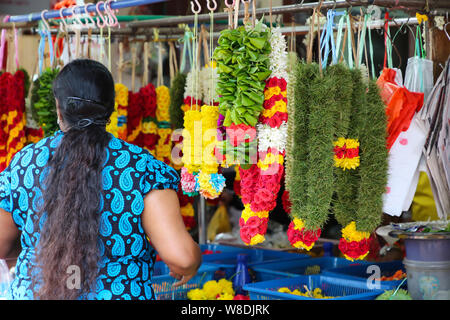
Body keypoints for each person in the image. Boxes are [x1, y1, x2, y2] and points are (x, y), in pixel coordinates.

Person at [0, 59, 201, 300]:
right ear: (110, 109)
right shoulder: (142, 168)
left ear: (59, 108)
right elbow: (183, 258)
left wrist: (42, 250)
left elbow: (3, 245)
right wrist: (186, 268)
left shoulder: (24, 164)